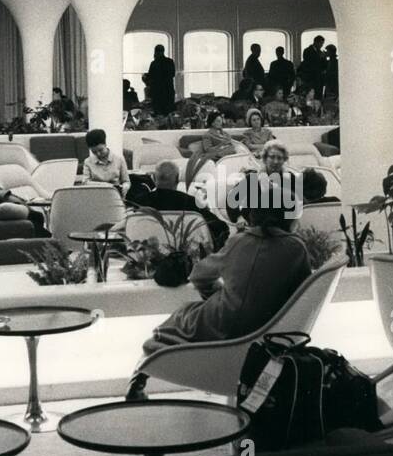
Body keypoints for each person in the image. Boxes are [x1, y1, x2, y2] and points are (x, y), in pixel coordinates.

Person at [125, 170, 311, 401]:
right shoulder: (296, 248)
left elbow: (198, 275)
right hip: (270, 326)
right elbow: (302, 286)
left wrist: (212, 293)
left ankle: (140, 376)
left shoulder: (239, 242)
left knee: (180, 318)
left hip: (224, 322)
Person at [128, 160, 229, 249]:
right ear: (177, 179)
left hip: (148, 258)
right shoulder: (190, 202)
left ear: (154, 178)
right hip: (183, 259)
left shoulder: (139, 202)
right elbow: (222, 228)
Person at [183, 111, 245, 186]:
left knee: (239, 151)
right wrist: (221, 146)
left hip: (231, 154)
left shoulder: (225, 134)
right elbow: (208, 149)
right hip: (219, 157)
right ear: (212, 123)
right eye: (218, 121)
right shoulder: (208, 135)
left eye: (221, 120)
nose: (221, 122)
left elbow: (232, 145)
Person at [143, 44, 177, 116]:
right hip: (168, 91)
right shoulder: (170, 61)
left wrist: (145, 77)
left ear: (155, 52)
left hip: (157, 92)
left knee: (158, 112)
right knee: (168, 113)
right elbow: (173, 74)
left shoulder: (154, 63)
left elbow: (150, 76)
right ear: (163, 51)